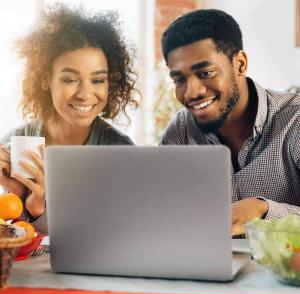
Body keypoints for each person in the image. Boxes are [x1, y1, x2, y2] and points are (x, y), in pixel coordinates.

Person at [160, 9, 300, 236]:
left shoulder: (295, 121)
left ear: (240, 64)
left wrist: (264, 210)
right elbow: (161, 212)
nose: (191, 93)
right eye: (179, 80)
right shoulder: (180, 131)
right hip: (206, 268)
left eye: (205, 73)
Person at [0, 5, 139, 233]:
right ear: (46, 79)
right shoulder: (16, 142)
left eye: (97, 80)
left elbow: (122, 235)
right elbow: (11, 241)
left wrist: (40, 210)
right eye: (70, 79)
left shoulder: (120, 152)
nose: (85, 94)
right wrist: (23, 200)